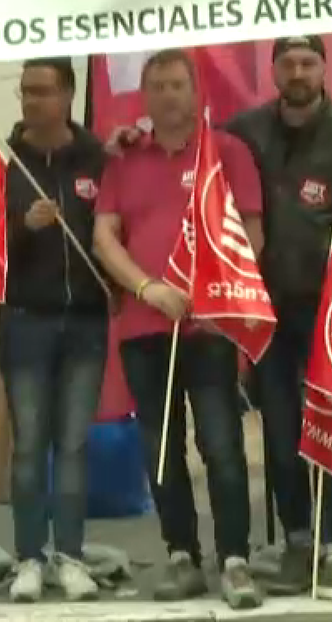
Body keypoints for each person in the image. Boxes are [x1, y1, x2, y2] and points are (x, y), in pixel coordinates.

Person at [92, 49, 264, 610]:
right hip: (146, 327)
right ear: (144, 96)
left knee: (221, 443)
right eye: (158, 86)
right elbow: (104, 239)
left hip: (210, 326)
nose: (168, 95)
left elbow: (252, 234)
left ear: (196, 92)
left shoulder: (228, 152)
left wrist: (217, 289)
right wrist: (148, 289)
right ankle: (181, 556)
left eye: (177, 84)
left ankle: (235, 559)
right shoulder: (124, 161)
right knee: (162, 447)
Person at [225, 35, 332, 603]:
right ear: (272, 70)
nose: (297, 71)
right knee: (280, 430)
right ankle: (298, 543)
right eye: (287, 62)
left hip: (330, 309)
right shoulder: (244, 131)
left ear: (323, 68)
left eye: (308, 62)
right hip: (264, 309)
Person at [0, 58, 109, 603]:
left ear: (69, 93)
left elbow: (117, 231)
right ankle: (27, 557)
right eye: (25, 92)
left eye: (43, 91)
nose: (32, 101)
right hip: (25, 321)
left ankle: (69, 555)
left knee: (72, 445)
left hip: (86, 322)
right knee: (29, 448)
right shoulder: (4, 161)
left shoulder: (98, 157)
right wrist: (22, 227)